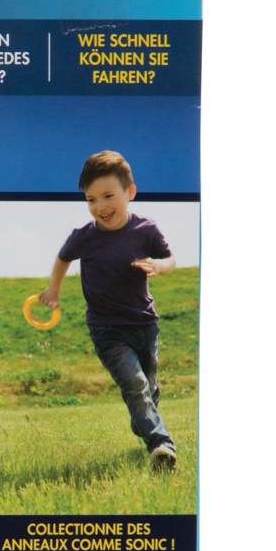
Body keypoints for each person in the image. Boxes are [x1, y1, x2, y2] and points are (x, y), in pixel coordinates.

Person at [39, 150, 177, 469]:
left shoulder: (146, 230)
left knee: (149, 386)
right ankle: (161, 443)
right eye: (91, 200)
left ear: (130, 192)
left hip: (145, 324)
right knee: (135, 384)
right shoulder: (84, 237)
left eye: (108, 196)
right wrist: (53, 290)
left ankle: (144, 422)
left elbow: (170, 259)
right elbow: (62, 258)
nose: (100, 207)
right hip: (107, 329)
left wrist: (159, 265)